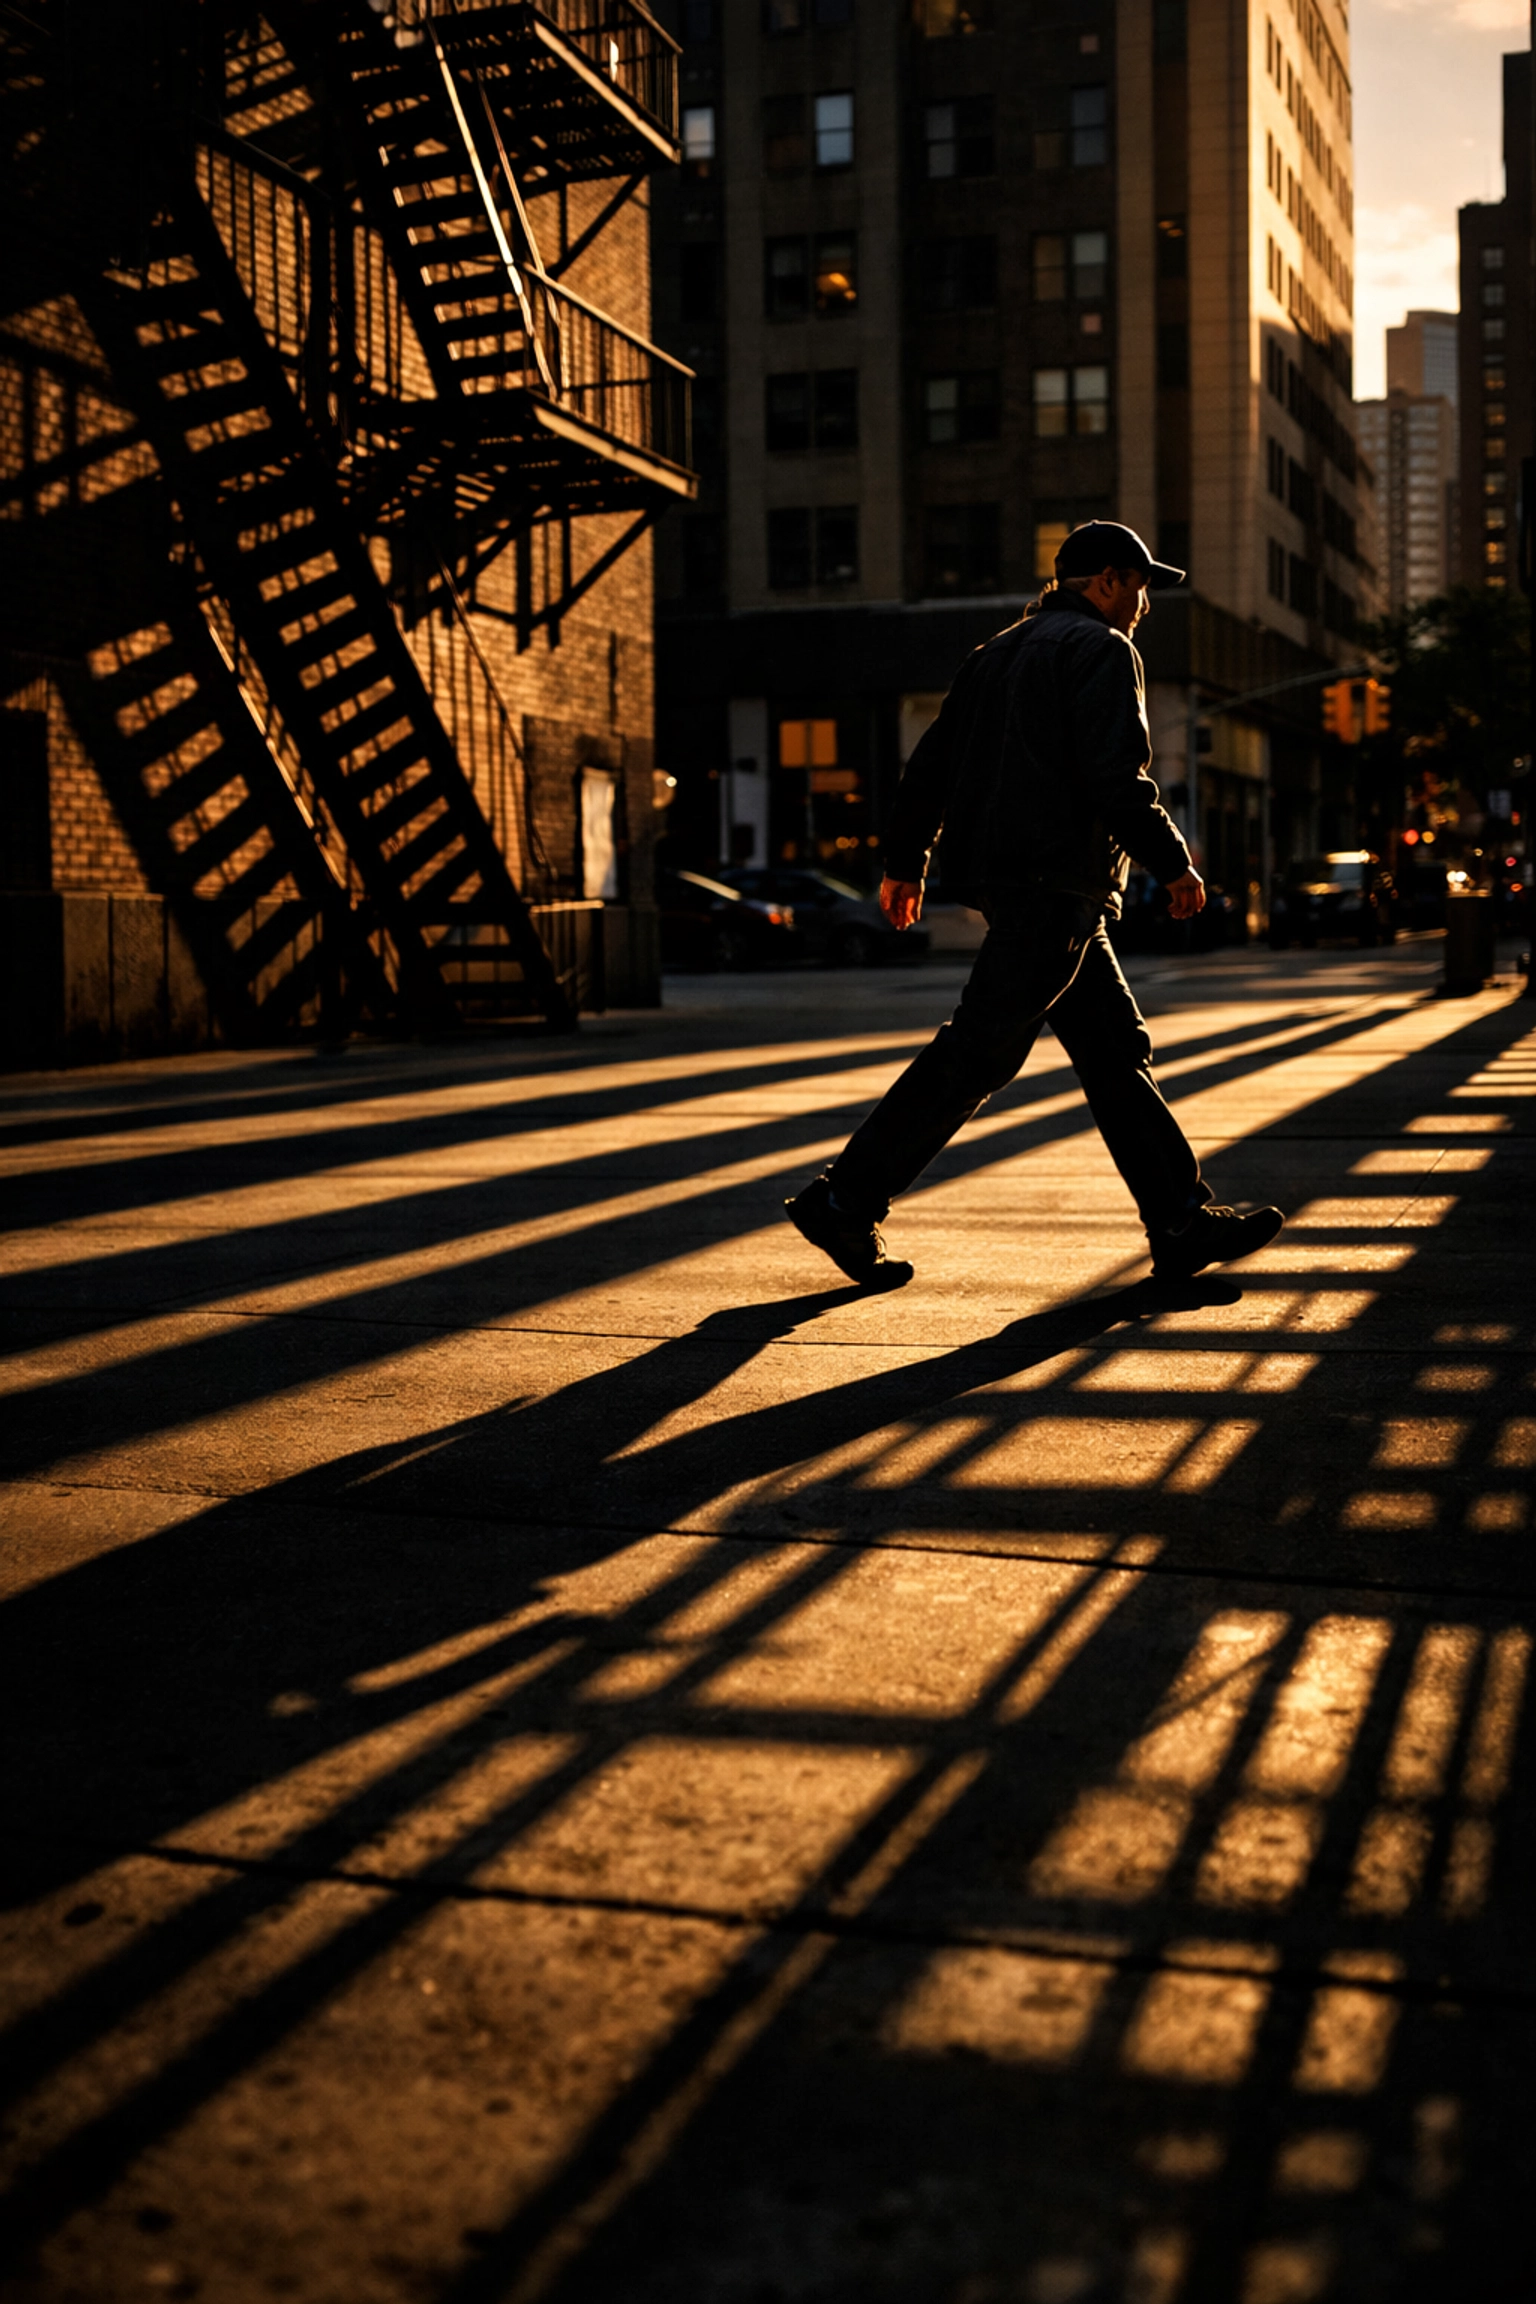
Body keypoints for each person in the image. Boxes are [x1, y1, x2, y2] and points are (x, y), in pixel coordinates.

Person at [786, 520, 1284, 1287]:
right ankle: (844, 1201)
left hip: (1026, 884)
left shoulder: (996, 652)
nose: (1146, 603)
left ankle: (1178, 1222)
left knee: (1116, 1052)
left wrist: (904, 862)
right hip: (1056, 884)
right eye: (1141, 584)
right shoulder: (1102, 650)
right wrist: (1175, 864)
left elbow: (929, 768)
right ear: (1107, 581)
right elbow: (1116, 776)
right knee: (977, 1051)